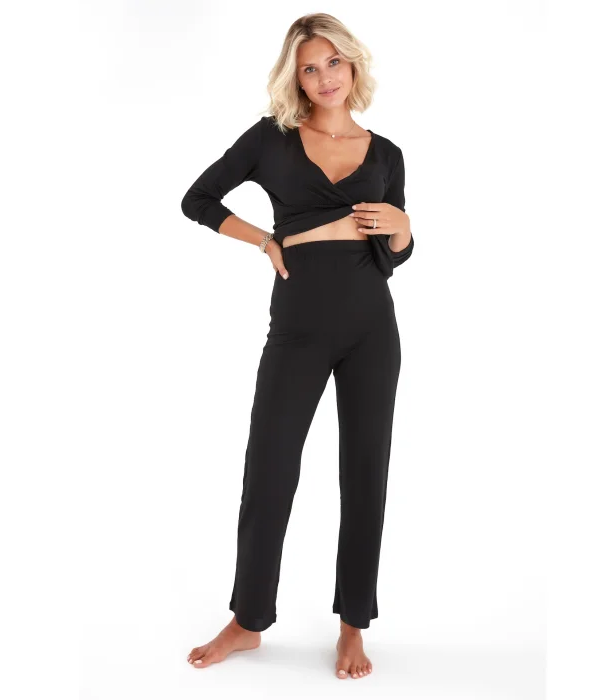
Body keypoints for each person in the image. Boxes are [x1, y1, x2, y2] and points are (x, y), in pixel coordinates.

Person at [181, 13, 414, 679]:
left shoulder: (386, 153)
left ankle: (353, 627)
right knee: (270, 468)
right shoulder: (272, 139)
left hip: (372, 326)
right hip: (298, 326)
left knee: (365, 475)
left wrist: (402, 225)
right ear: (297, 77)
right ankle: (248, 620)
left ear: (352, 64)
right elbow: (198, 199)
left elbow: (396, 255)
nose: (324, 78)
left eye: (333, 62)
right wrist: (264, 239)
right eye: (310, 68)